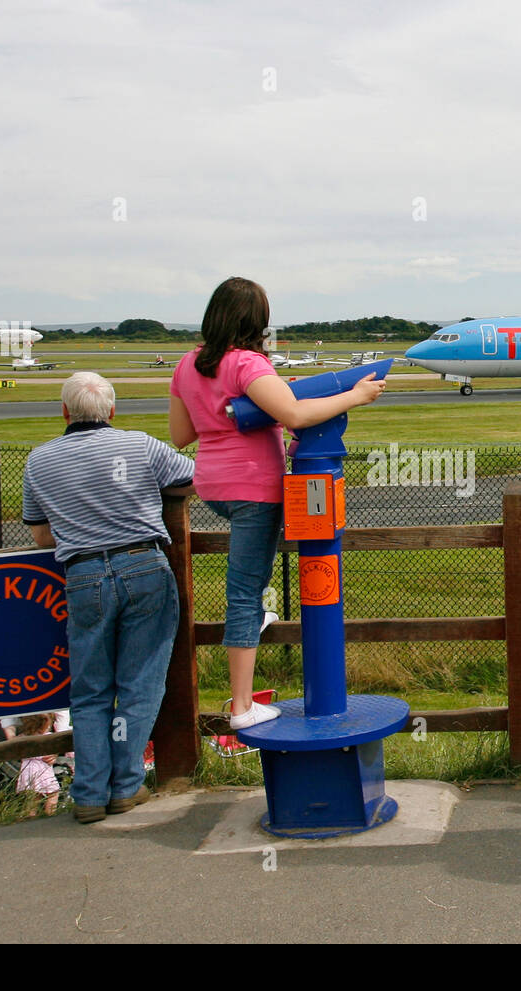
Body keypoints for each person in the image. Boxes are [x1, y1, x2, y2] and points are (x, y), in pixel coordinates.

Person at [169, 277, 385, 729]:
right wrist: (356, 395)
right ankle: (242, 707)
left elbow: (181, 435)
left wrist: (225, 417)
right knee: (244, 594)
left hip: (213, 488)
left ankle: (257, 622)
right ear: (257, 321)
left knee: (252, 585)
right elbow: (297, 415)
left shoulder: (187, 365)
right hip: (253, 491)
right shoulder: (247, 364)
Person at [22, 371, 197, 823]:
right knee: (140, 683)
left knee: (90, 690)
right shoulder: (140, 445)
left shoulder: (39, 461)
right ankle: (126, 785)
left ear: (64, 412)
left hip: (82, 574)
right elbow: (196, 479)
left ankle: (88, 794)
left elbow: (42, 535)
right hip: (143, 566)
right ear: (113, 412)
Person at [15, 712, 61, 816]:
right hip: (42, 769)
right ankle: (50, 814)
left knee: (34, 797)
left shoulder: (22, 737)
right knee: (53, 793)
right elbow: (56, 750)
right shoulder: (47, 737)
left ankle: (31, 816)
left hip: (27, 769)